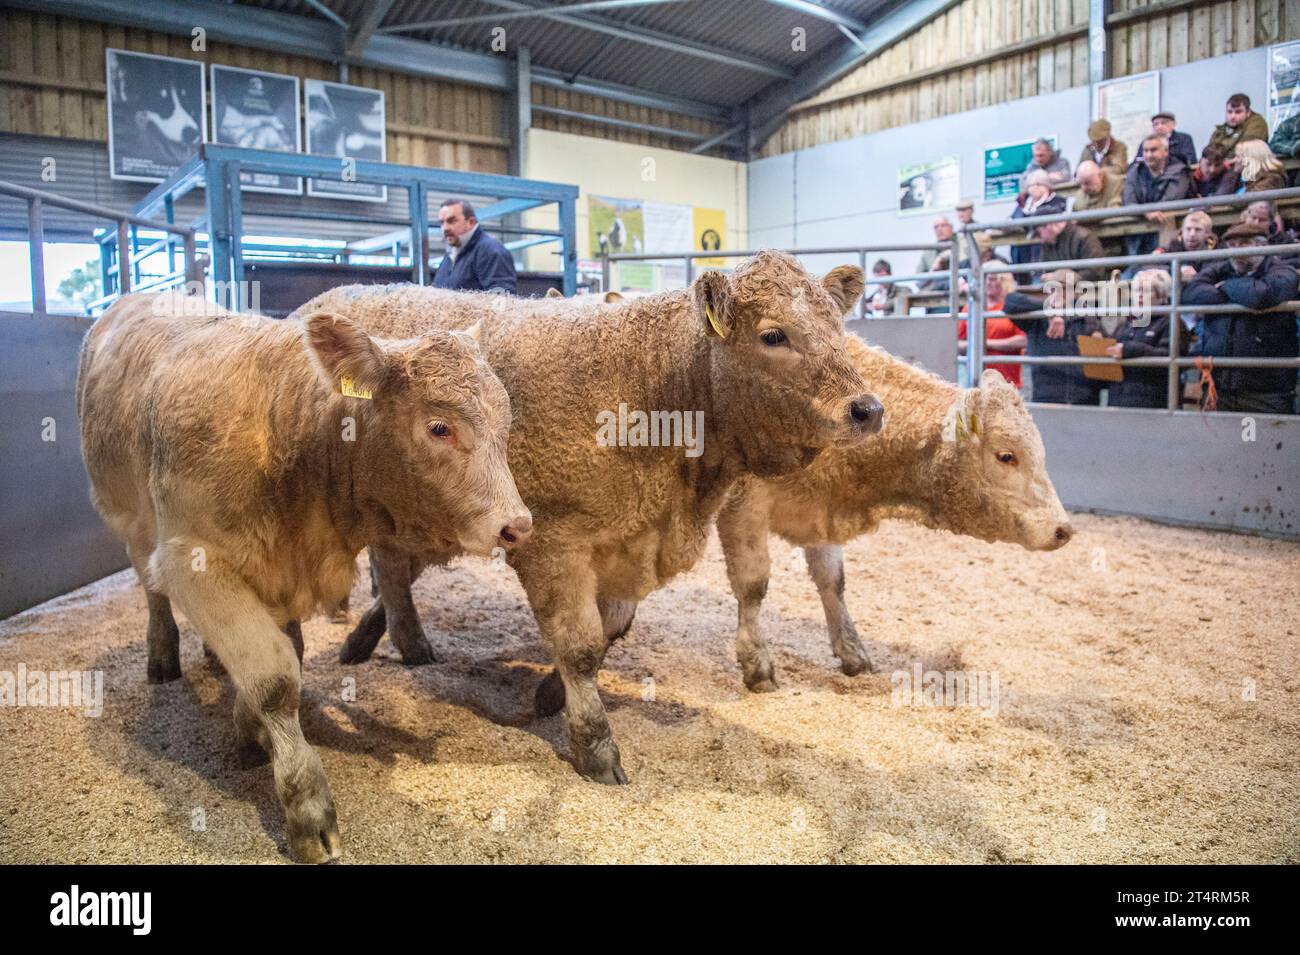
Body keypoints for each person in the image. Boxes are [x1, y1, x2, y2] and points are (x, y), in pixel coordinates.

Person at [1184, 222, 1299, 413]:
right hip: (1220, 388)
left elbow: (1259, 296)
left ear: (1262, 246)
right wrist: (1241, 291)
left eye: (1244, 243)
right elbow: (1191, 294)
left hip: (1266, 392)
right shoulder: (1221, 268)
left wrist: (1226, 286)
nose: (1236, 250)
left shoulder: (1282, 270)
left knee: (1265, 441)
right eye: (1232, 245)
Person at [1004, 267, 1102, 404]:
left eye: (1065, 289)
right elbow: (1010, 302)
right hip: (1047, 397)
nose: (1058, 294)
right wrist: (1049, 310)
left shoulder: (1090, 320)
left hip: (1084, 398)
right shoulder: (1038, 318)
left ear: (1077, 294)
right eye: (1054, 289)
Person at [1104, 269, 1181, 408]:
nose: (1139, 295)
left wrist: (1129, 350)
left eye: (1145, 291)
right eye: (1136, 290)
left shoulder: (1171, 322)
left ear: (1161, 294)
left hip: (1152, 403)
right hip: (1119, 400)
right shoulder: (1126, 323)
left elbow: (1170, 358)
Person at [1123, 134, 1193, 259]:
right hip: (1138, 236)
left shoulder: (1180, 171)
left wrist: (1146, 210)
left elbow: (1173, 199)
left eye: (1153, 150)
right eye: (1146, 151)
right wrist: (1146, 212)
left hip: (1171, 233)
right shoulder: (1134, 171)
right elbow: (1128, 201)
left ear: (1165, 151)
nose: (1149, 155)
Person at [958, 263, 1027, 388]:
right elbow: (956, 343)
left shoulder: (1013, 307)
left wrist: (987, 343)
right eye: (985, 279)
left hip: (1007, 381)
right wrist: (974, 345)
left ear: (1003, 281)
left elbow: (1023, 340)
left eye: (992, 279)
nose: (987, 283)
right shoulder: (971, 308)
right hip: (978, 381)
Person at [432, 198, 517, 293]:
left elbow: (502, 299)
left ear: (471, 222)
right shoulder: (452, 253)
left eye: (452, 221)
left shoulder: (491, 251)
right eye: (442, 223)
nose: (445, 228)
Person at [1037, 217, 1105, 281]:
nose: (1042, 240)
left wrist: (1066, 277)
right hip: (1064, 290)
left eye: (1039, 234)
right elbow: (1046, 272)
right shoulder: (1049, 242)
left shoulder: (1084, 237)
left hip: (1089, 290)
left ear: (1049, 226)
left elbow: (1096, 272)